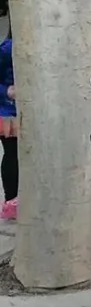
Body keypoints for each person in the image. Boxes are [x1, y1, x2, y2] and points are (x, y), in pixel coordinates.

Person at [0, 38, 18, 221]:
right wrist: (6, 91)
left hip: (35, 110)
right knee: (12, 154)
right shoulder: (7, 49)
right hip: (8, 111)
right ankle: (11, 200)